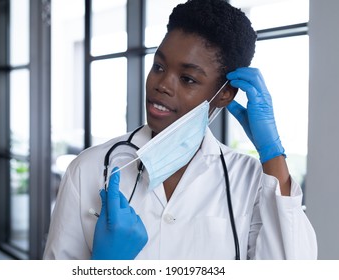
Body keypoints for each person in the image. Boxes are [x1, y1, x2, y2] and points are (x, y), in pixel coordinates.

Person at [43, 0, 317, 260]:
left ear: (224, 94)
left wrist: (272, 154)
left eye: (187, 79)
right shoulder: (88, 169)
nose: (162, 85)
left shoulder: (248, 179)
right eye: (159, 66)